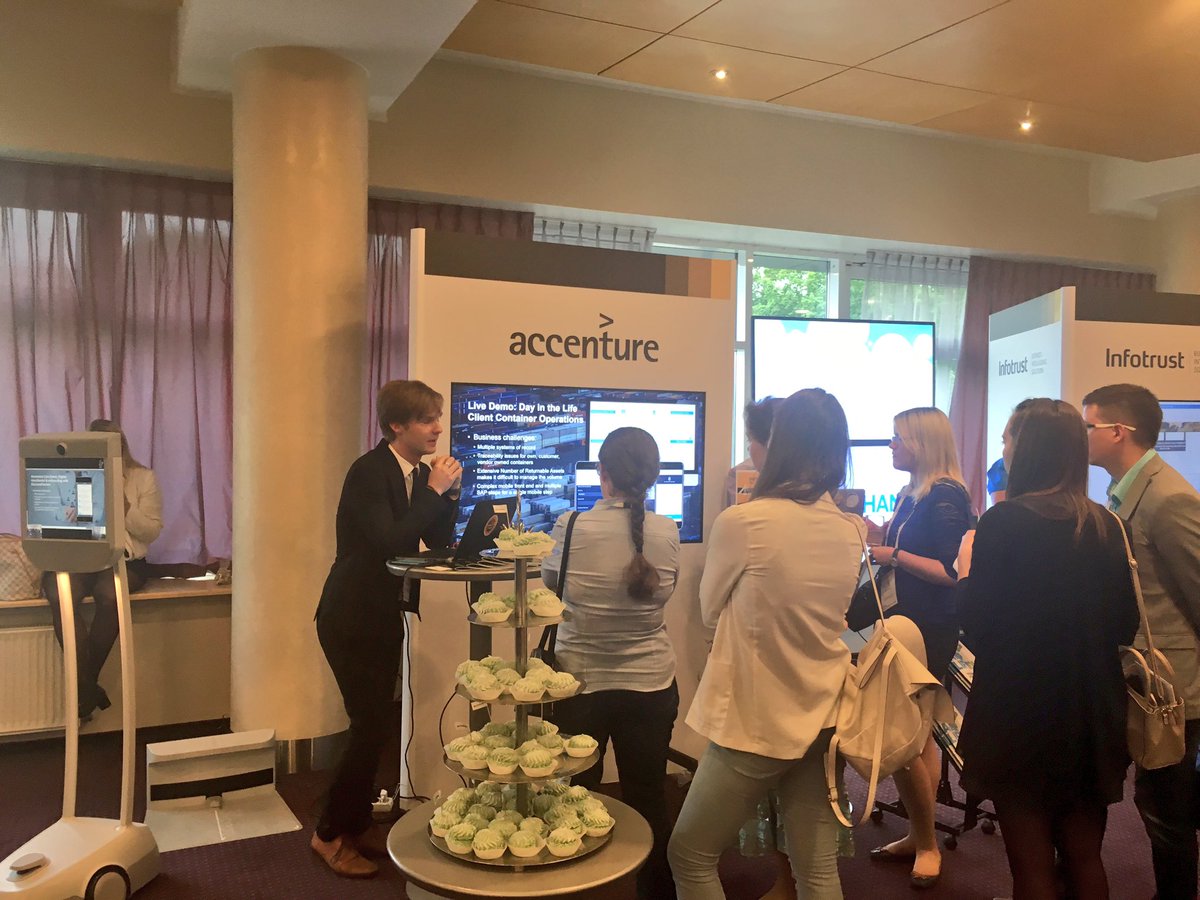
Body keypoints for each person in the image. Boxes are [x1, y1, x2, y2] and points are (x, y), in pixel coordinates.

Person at [669, 388, 865, 900]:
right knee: (816, 869)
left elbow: (709, 610)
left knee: (689, 854)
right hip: (823, 713)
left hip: (754, 722)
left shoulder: (745, 521)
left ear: (778, 442)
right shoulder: (851, 529)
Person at [956, 398, 1138, 899]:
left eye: (1008, 438)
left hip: (1018, 714)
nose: (1003, 447)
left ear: (1027, 448)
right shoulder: (1106, 524)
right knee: (1084, 857)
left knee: (1032, 865)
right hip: (1091, 712)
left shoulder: (1002, 523)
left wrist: (966, 573)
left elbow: (977, 626)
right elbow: (1126, 625)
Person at [311, 380, 461, 879]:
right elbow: (388, 542)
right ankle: (328, 833)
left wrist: (449, 495)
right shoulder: (369, 471)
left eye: (437, 417)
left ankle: (355, 824)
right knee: (368, 727)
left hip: (380, 613)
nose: (437, 428)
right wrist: (433, 491)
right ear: (397, 425)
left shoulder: (414, 473)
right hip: (350, 616)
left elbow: (433, 539)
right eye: (426, 419)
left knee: (375, 727)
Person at [542, 426, 681, 899]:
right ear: (654, 475)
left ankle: (578, 890)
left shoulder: (570, 525)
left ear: (601, 472)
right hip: (652, 685)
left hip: (579, 686)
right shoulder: (668, 530)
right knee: (649, 798)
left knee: (574, 800)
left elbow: (552, 584)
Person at [1083, 383, 1200, 900]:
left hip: (1174, 689)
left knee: (1169, 815)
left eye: (1088, 425)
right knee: (1154, 806)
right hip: (1141, 679)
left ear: (1117, 431)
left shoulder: (1169, 498)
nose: (1081, 436)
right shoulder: (1125, 488)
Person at [866, 407, 970, 889]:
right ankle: (919, 834)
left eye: (897, 438)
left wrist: (893, 555)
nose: (890, 445)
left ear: (922, 444)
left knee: (911, 731)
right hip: (905, 619)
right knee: (916, 733)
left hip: (929, 625)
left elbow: (952, 572)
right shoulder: (915, 492)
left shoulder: (945, 496)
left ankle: (926, 842)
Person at [42, 418, 163, 721]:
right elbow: (57, 519)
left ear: (122, 447)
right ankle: (88, 689)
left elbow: (151, 532)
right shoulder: (75, 475)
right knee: (60, 593)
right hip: (82, 555)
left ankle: (83, 688)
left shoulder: (142, 478)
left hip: (126, 559)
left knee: (110, 597)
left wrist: (124, 506)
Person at [723, 397, 781, 508]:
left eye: (750, 439)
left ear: (769, 443)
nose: (749, 449)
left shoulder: (742, 515)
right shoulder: (740, 474)